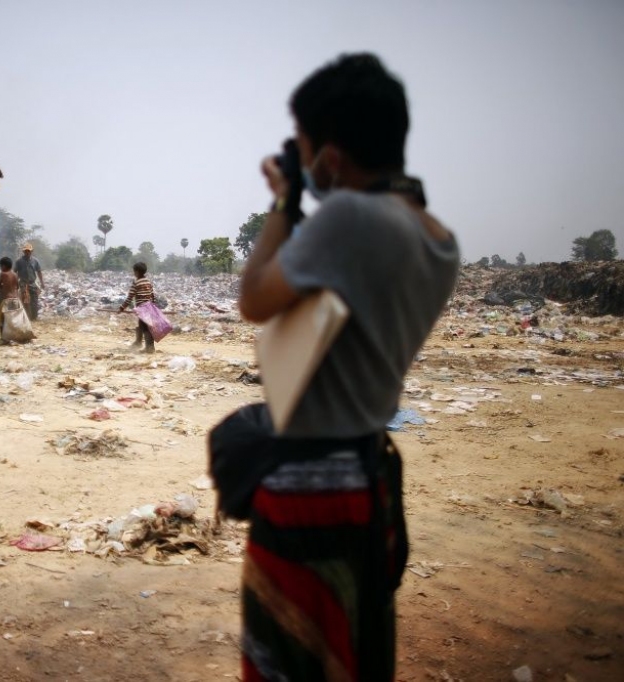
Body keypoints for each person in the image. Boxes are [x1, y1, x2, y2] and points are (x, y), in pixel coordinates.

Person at [235, 53, 459, 681]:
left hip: (311, 488)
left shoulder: (351, 218)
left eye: (307, 152)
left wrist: (285, 202)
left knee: (292, 663)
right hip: (371, 482)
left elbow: (254, 298)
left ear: (331, 158)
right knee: (352, 658)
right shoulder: (436, 236)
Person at [118, 261, 156, 353]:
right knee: (145, 326)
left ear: (137, 272)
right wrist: (154, 307)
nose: (134, 273)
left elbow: (130, 298)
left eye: (134, 271)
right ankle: (140, 343)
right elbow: (152, 295)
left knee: (145, 328)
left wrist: (122, 308)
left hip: (142, 309)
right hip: (149, 307)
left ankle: (149, 348)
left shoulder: (136, 283)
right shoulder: (148, 282)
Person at [14, 243, 44, 320]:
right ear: (23, 252)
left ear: (31, 251)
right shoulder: (19, 261)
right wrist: (15, 283)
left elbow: (39, 272)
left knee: (34, 301)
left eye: (29, 251)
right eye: (26, 251)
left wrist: (42, 282)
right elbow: (15, 272)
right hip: (23, 283)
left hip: (32, 283)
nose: (27, 252)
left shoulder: (35, 261)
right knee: (25, 301)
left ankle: (34, 317)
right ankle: (27, 317)